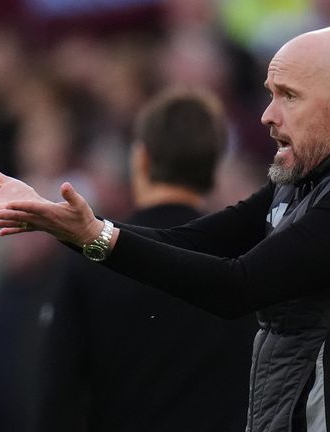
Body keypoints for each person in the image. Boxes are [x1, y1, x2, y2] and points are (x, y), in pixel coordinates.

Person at [0, 25, 330, 431]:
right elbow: (198, 238)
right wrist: (74, 226)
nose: (268, 114)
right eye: (269, 94)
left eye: (288, 95)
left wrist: (98, 239)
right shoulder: (318, 176)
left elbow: (236, 285)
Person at [36, 88, 257, 431]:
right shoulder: (246, 261)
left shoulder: (91, 256)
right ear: (214, 167)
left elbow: (58, 394)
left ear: (140, 159)